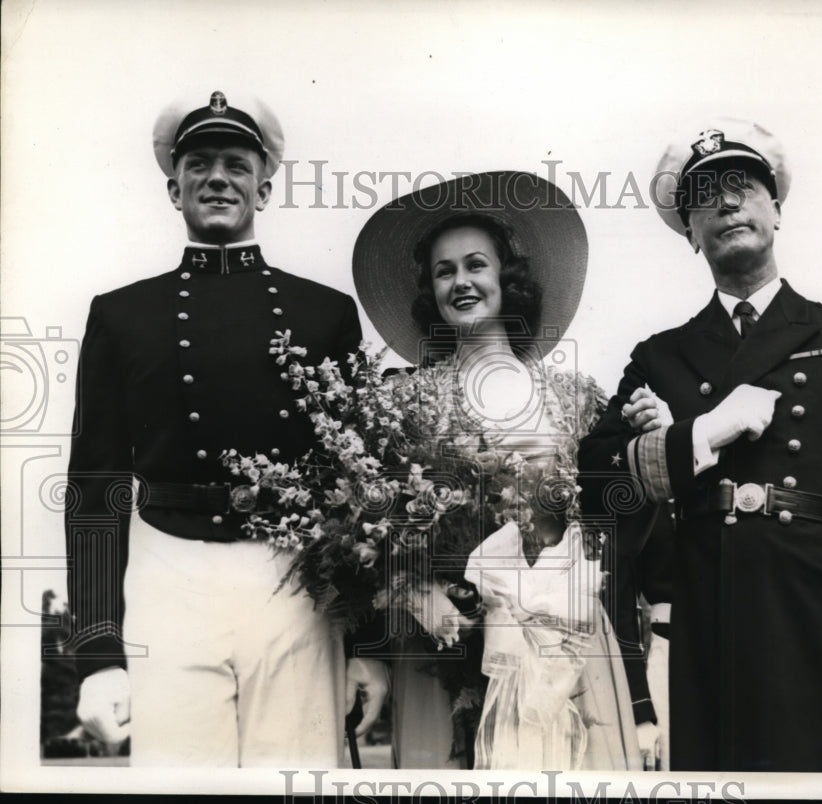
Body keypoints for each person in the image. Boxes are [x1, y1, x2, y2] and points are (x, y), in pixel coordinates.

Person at [578, 118, 822, 772]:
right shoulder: (661, 357)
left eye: (744, 186)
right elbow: (595, 485)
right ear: (689, 231)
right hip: (712, 622)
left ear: (777, 210)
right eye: (706, 196)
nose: (728, 202)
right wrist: (699, 434)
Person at [65, 90, 387, 767]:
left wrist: (368, 645)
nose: (218, 178)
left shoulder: (325, 313)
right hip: (167, 576)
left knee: (295, 774)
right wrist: (98, 654)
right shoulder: (122, 316)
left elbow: (358, 488)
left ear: (264, 188)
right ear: (173, 188)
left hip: (295, 582)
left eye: (237, 165)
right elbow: (94, 485)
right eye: (200, 164)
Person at [353, 170, 641, 770]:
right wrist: (419, 591)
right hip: (445, 641)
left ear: (507, 280)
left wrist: (651, 430)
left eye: (475, 265)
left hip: (564, 638)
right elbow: (373, 530)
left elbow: (613, 520)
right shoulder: (402, 401)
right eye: (444, 271)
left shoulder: (576, 396)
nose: (461, 281)